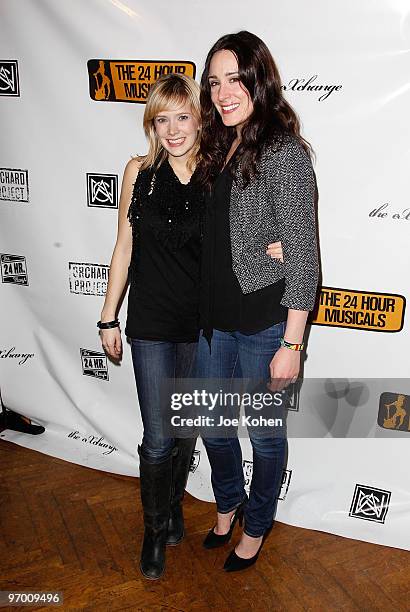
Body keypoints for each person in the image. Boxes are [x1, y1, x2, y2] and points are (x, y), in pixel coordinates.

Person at [196, 31, 319, 572]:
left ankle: (258, 524)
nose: (224, 92)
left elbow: (304, 257)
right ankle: (227, 503)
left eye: (235, 79)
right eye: (215, 82)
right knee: (213, 426)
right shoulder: (215, 145)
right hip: (212, 322)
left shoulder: (283, 151)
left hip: (263, 324)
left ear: (258, 80)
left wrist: (292, 342)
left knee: (265, 439)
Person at [97, 74, 204, 580]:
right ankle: (153, 530)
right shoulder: (138, 171)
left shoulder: (217, 172)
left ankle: (174, 506)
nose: (173, 129)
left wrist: (273, 247)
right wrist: (107, 315)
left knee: (186, 433)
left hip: (205, 327)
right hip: (153, 323)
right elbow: (123, 247)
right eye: (162, 119)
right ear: (152, 125)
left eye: (182, 116)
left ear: (199, 117)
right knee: (159, 436)